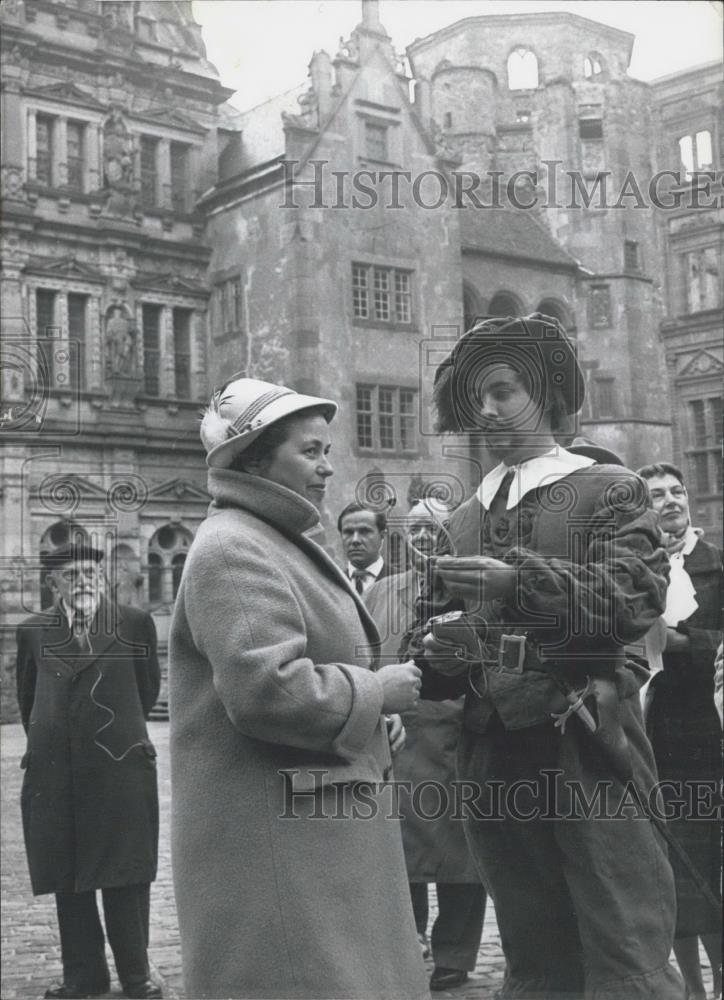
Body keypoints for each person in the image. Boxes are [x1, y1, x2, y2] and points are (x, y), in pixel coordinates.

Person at [407, 313, 685, 999]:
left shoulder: (608, 488)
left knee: (623, 939)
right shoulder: (462, 517)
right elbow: (434, 649)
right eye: (475, 396)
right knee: (533, 951)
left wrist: (517, 581)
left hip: (591, 745)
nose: (488, 409)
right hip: (492, 756)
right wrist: (442, 648)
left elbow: (631, 600)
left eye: (503, 390)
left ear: (548, 393)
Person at [168, 376, 428, 1000]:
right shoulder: (233, 548)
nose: (327, 466)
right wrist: (375, 691)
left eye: (326, 450)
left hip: (314, 834)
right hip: (281, 853)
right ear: (254, 456)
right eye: (310, 452)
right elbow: (267, 693)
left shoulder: (270, 539)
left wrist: (370, 721)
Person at [16, 541, 161, 1000]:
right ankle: (84, 976)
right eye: (71, 575)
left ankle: (136, 976)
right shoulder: (33, 631)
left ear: (105, 579)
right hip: (56, 773)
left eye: (91, 573)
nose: (83, 582)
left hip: (119, 768)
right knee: (68, 874)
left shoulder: (134, 624)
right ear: (52, 582)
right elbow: (27, 697)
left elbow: (146, 687)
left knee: (126, 872)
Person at [365, 497, 486, 993]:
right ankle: (407, 941)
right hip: (399, 737)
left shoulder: (472, 590)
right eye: (413, 529)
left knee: (461, 856)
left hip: (454, 737)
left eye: (432, 528)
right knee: (402, 853)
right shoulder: (383, 590)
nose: (422, 538)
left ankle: (455, 953)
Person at [637, 462, 722, 1000]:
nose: (670, 501)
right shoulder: (637, 568)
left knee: (708, 870)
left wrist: (682, 643)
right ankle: (691, 988)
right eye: (657, 495)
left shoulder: (716, 566)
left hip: (706, 733)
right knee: (671, 872)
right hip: (652, 732)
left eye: (677, 491)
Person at [338, 502, 391, 596]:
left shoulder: (403, 583)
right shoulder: (333, 584)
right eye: (348, 532)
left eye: (364, 532)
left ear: (382, 535)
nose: (355, 540)